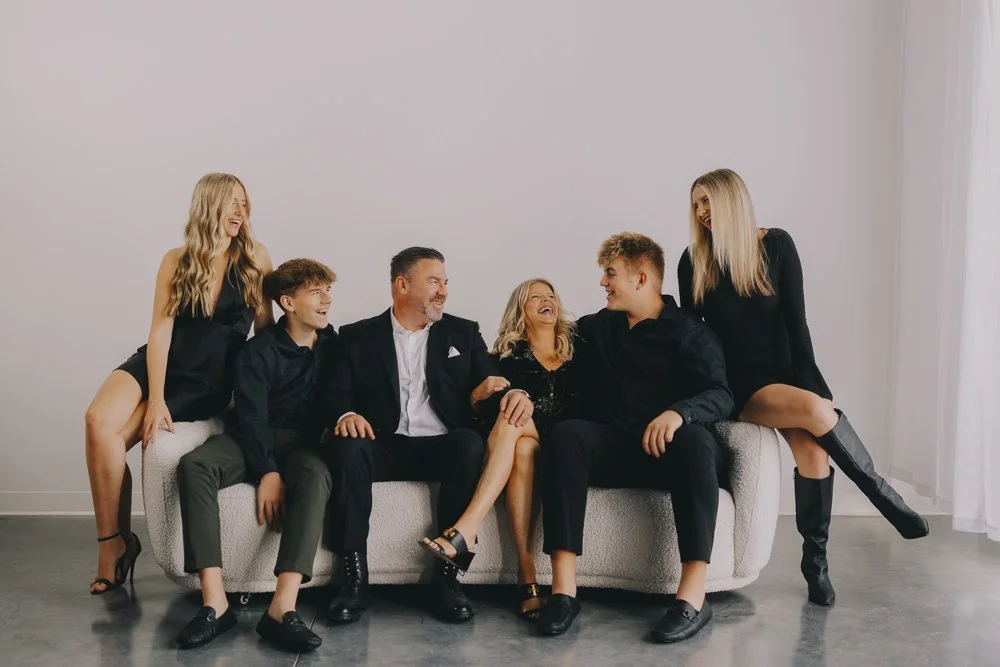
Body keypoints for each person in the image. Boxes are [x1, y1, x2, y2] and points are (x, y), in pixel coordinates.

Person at [677, 168, 929, 607]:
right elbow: (693, 336)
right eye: (695, 204)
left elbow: (797, 321)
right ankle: (883, 495)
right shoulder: (693, 260)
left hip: (784, 375)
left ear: (731, 201)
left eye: (708, 202)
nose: (701, 213)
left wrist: (812, 383)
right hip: (737, 385)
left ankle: (815, 565)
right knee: (815, 414)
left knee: (814, 452)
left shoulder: (776, 245)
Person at [538, 233, 733, 643]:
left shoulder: (690, 333)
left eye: (611, 274)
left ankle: (692, 597)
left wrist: (679, 412)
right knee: (567, 433)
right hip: (612, 446)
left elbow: (721, 394)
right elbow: (545, 344)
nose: (603, 283)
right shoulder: (599, 327)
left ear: (642, 278)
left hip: (670, 455)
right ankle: (563, 592)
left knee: (698, 442)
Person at [84, 173, 273, 594]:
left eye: (245, 203)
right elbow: (160, 333)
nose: (240, 211)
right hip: (161, 363)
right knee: (97, 420)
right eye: (231, 202)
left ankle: (113, 552)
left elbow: (265, 334)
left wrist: (262, 396)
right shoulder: (178, 259)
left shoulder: (255, 258)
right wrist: (156, 398)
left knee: (116, 438)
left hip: (206, 380)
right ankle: (113, 542)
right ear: (209, 205)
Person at [322, 247, 533, 624]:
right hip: (382, 443)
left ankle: (446, 579)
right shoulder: (356, 336)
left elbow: (491, 382)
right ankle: (353, 579)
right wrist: (347, 414)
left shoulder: (462, 332)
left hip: (440, 443)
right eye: (434, 281)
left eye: (445, 282)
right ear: (402, 285)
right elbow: (335, 395)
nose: (443, 291)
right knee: (348, 447)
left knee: (468, 443)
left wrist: (512, 392)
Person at [174, 259, 338, 652]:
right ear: (288, 302)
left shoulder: (338, 347)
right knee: (194, 464)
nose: (327, 299)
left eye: (329, 290)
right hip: (252, 437)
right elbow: (250, 417)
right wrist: (267, 470)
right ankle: (215, 602)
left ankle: (283, 609)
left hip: (304, 446)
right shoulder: (256, 352)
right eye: (316, 291)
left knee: (316, 476)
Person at [419, 278, 580, 620]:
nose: (546, 300)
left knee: (519, 431)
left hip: (567, 446)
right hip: (524, 440)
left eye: (550, 295)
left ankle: (464, 531)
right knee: (518, 433)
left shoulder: (579, 352)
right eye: (535, 297)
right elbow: (484, 405)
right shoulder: (504, 359)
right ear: (521, 311)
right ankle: (526, 572)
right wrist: (479, 397)